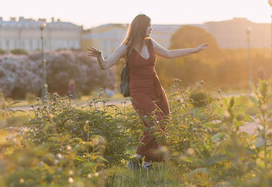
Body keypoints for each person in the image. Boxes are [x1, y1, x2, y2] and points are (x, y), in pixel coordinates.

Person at [87, 14, 207, 170]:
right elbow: (105, 65)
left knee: (164, 120)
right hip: (138, 91)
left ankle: (147, 163)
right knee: (156, 122)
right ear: (140, 26)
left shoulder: (150, 43)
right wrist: (99, 56)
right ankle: (136, 159)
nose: (151, 28)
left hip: (155, 87)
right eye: (149, 25)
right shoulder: (125, 47)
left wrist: (194, 50)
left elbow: (169, 53)